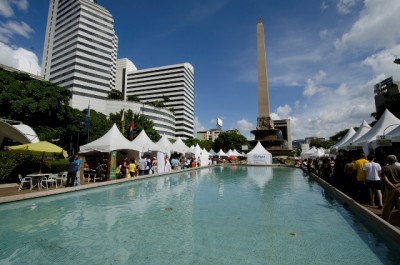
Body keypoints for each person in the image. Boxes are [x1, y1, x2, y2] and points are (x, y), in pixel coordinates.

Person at [381, 155, 400, 221]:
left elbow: (385, 179)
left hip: (389, 189)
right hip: (399, 188)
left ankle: (384, 220)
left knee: (388, 206)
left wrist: (393, 186)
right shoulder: (399, 167)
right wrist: (397, 185)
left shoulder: (384, 168)